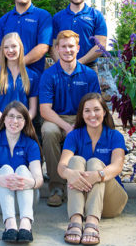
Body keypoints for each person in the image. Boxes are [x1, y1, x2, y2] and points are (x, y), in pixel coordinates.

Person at [40, 30, 101, 207]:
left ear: (78, 48)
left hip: (83, 117)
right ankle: (57, 187)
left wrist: (79, 124)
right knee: (49, 131)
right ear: (57, 49)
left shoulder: (89, 75)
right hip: (57, 118)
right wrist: (67, 127)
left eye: (71, 46)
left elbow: (95, 107)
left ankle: (83, 183)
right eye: (63, 46)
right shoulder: (49, 75)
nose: (68, 50)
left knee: (90, 131)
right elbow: (45, 110)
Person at [58, 93, 127, 246]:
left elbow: (117, 166)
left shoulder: (115, 136)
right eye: (87, 110)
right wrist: (70, 174)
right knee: (75, 161)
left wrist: (97, 175)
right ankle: (76, 219)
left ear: (104, 112)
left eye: (96, 109)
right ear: (82, 115)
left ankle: (92, 221)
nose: (92, 115)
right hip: (82, 201)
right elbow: (62, 166)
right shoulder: (74, 135)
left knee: (95, 162)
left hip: (110, 202)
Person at [0, 101, 43, 243]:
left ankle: (25, 224)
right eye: (11, 116)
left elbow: (39, 180)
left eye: (20, 117)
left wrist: (30, 182)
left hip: (26, 201)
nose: (14, 121)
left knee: (22, 169)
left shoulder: (31, 144)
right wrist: (1, 180)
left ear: (25, 121)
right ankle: (9, 224)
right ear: (3, 118)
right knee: (7, 170)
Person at [0, 0, 52, 76]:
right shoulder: (4, 19)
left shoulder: (43, 16)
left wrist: (17, 65)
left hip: (34, 75)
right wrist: (7, 68)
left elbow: (43, 47)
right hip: (8, 76)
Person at [51, 0, 107, 73]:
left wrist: (78, 63)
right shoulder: (58, 17)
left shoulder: (96, 16)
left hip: (89, 68)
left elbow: (101, 45)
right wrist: (62, 64)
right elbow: (53, 45)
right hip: (62, 69)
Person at [0, 32, 39, 125]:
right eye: (6, 47)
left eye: (14, 46)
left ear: (20, 48)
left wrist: (21, 123)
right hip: (0, 124)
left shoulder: (32, 76)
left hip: (24, 125)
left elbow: (33, 110)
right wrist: (8, 122)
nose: (10, 50)